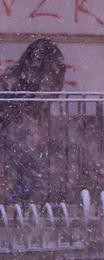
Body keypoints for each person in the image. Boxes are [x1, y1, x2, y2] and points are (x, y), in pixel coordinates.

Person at [0, 38, 67, 202]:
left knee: (28, 173)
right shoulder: (18, 80)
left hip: (12, 131)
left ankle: (14, 206)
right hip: (11, 131)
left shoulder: (17, 76)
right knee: (31, 172)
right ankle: (13, 207)